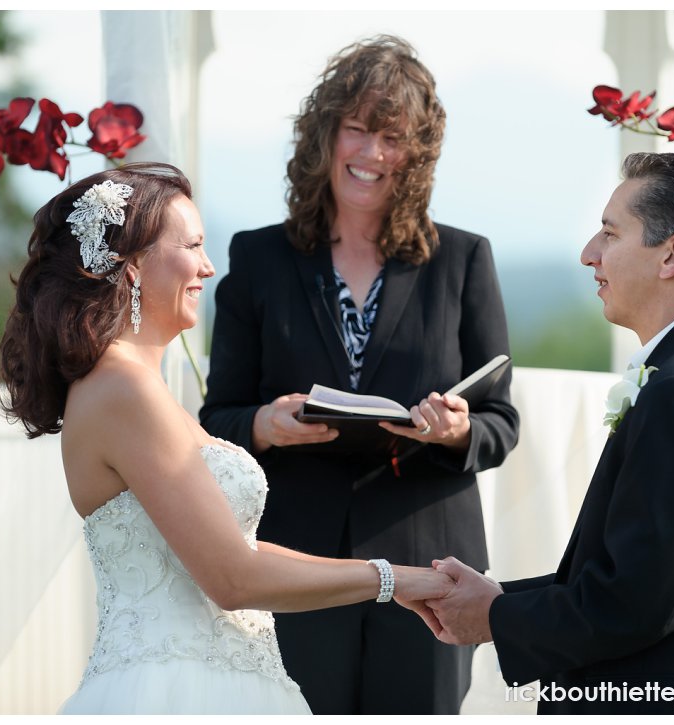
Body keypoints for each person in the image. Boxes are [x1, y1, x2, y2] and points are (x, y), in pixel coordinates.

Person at [0, 162, 452, 715]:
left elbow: (236, 551)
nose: (208, 267)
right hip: (173, 693)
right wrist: (389, 579)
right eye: (192, 246)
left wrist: (393, 579)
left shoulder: (140, 389)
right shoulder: (122, 389)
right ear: (134, 266)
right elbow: (233, 578)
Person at [198, 36, 519, 714]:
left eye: (393, 138)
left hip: (431, 567)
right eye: (359, 129)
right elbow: (217, 415)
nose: (372, 154)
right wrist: (265, 425)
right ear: (326, 135)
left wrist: (458, 432)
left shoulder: (462, 260)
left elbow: (501, 423)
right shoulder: (258, 259)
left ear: (417, 155)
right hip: (299, 561)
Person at [409, 152, 674, 714]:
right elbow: (637, 571)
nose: (590, 254)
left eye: (610, 234)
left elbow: (636, 603)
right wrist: (497, 597)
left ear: (673, 254)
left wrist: (493, 617)